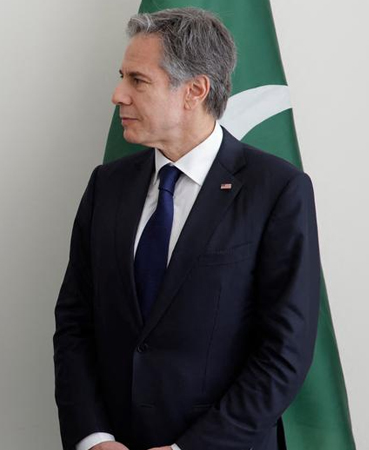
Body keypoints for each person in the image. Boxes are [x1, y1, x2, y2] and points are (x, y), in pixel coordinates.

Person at [53, 8, 319, 450]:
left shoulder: (277, 190)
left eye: (138, 81)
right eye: (122, 77)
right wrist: (94, 438)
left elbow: (284, 353)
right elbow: (75, 323)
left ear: (194, 91)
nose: (118, 95)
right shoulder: (107, 185)